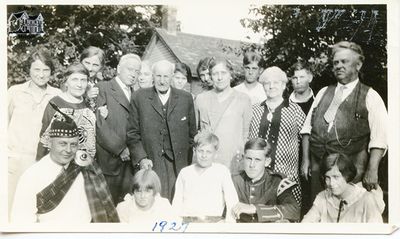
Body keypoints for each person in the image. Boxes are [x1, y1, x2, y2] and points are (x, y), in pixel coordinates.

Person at [300, 41, 388, 203]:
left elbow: (380, 138)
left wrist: (372, 170)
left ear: (358, 65)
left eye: (344, 62)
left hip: (350, 174)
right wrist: (305, 161)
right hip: (319, 172)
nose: (339, 66)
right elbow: (307, 129)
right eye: (336, 62)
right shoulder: (323, 92)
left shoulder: (370, 96)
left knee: (347, 216)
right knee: (319, 214)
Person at [11, 109, 119, 223]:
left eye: (73, 145)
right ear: (50, 143)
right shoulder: (31, 176)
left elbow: (104, 208)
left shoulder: (85, 166)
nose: (68, 150)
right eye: (62, 144)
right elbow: (21, 222)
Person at [126, 60, 197, 201]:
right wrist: (141, 158)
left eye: (166, 76)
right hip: (150, 162)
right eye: (158, 76)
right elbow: (132, 133)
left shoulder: (185, 98)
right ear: (153, 76)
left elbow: (191, 133)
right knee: (150, 201)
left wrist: (186, 161)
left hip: (177, 164)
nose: (162, 81)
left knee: (175, 201)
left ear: (172, 76)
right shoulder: (139, 97)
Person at [8, 47, 61, 213]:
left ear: (51, 72)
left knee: (36, 209)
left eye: (46, 70)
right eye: (36, 69)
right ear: (28, 70)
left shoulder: (57, 96)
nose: (41, 74)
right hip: (14, 161)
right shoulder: (14, 92)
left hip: (42, 161)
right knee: (9, 207)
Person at [248, 66, 305, 205]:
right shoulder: (254, 110)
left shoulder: (295, 110)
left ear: (284, 85)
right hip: (258, 175)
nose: (271, 86)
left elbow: (307, 138)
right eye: (267, 83)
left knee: (285, 213)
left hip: (286, 175)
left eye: (276, 82)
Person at [96, 54, 141, 204]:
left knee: (126, 209)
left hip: (130, 165)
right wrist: (120, 149)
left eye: (137, 71)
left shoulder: (136, 94)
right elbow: (98, 124)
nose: (133, 74)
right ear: (119, 69)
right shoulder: (103, 88)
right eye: (130, 69)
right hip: (110, 162)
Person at [195, 57, 252, 174]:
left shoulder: (243, 99)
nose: (220, 78)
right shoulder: (201, 99)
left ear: (230, 74)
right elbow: (196, 132)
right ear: (210, 76)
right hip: (207, 161)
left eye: (223, 73)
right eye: (215, 74)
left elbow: (246, 133)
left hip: (232, 162)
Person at [172, 131, 238, 223]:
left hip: (214, 223)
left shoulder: (222, 171)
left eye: (208, 152)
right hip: (188, 222)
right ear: (194, 151)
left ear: (215, 153)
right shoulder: (185, 173)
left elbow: (232, 200)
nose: (204, 155)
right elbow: (177, 202)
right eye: (200, 151)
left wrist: (229, 225)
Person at [36, 63, 96, 161]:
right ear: (66, 82)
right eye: (74, 80)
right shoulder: (55, 104)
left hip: (84, 162)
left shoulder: (88, 105)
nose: (79, 85)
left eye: (83, 80)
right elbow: (44, 139)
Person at [302, 153, 384, 223]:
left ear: (347, 175)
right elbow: (305, 225)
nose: (331, 183)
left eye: (336, 177)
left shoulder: (366, 199)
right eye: (327, 177)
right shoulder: (323, 197)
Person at [232, 138, 300, 223]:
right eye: (249, 159)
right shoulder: (234, 180)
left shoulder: (276, 182)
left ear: (267, 162)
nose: (252, 165)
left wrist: (255, 208)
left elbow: (294, 210)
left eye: (257, 160)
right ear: (243, 158)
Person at [80, 46, 106, 111]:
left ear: (101, 67)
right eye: (87, 63)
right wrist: (86, 97)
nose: (90, 68)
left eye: (95, 65)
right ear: (81, 62)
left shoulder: (102, 84)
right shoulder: (71, 81)